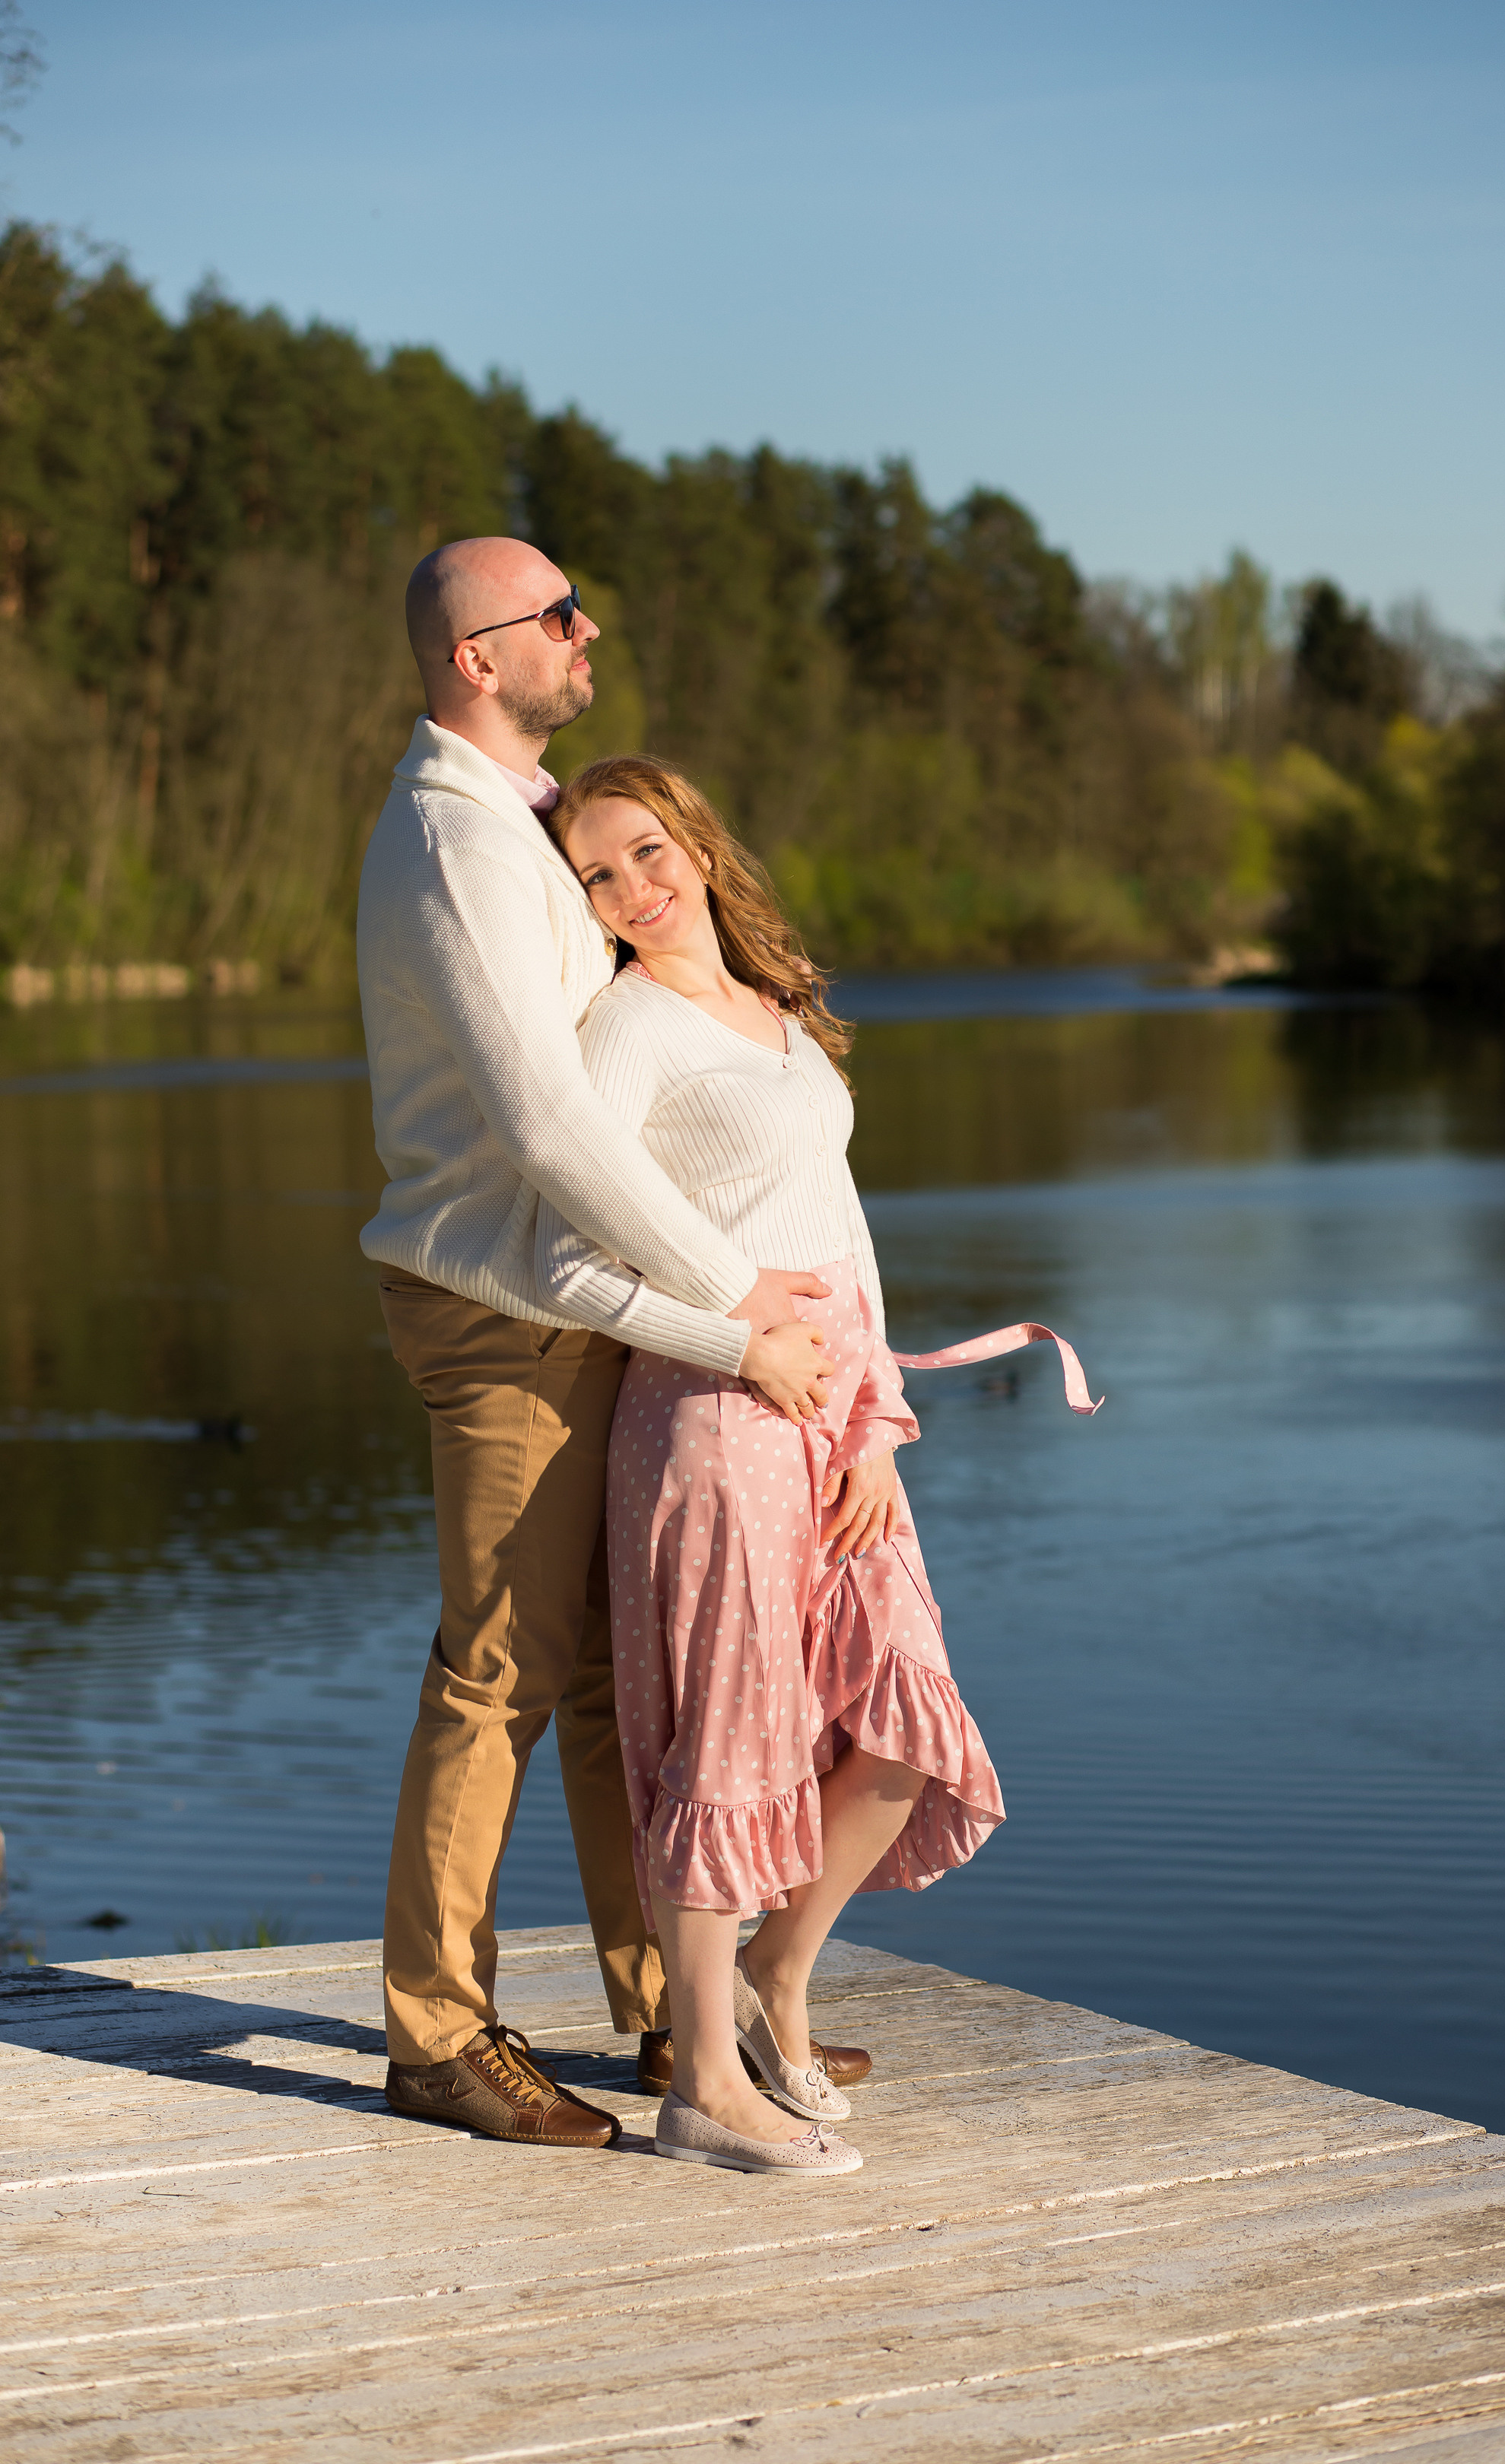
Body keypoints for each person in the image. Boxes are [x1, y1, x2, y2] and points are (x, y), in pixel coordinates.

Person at [358, 538, 868, 2150]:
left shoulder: (530, 820)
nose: (592, 630)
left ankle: (672, 2014)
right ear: (476, 658)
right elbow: (549, 1124)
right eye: (558, 616)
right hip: (505, 1305)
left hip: (582, 1296)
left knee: (614, 1677)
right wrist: (731, 1302)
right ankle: (438, 2030)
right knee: (500, 1665)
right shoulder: (455, 841)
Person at [548, 755, 1011, 2175]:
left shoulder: (778, 1011)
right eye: (598, 877)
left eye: (646, 850)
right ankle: (701, 2087)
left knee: (901, 1718)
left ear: (692, 839)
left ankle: (779, 1978)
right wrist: (740, 1348)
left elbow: (843, 1235)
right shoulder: (623, 1030)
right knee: (729, 1742)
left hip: (836, 1421)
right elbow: (572, 1268)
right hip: (712, 1419)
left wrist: (874, 1420)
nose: (635, 886)